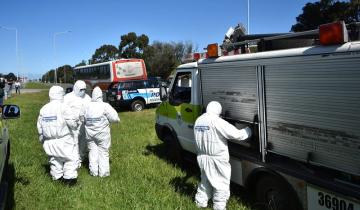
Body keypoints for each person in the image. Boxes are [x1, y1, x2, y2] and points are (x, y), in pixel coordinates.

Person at [194, 101, 252, 210]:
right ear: (218, 111)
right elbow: (237, 135)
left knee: (205, 180)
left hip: (202, 157)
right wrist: (249, 130)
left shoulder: (199, 120)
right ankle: (219, 207)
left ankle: (199, 203)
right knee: (221, 184)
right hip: (217, 158)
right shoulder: (217, 121)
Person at [37, 86, 79, 185]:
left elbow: (39, 126)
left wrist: (42, 138)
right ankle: (69, 180)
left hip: (49, 141)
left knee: (55, 160)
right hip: (63, 140)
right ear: (61, 94)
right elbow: (72, 123)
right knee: (71, 158)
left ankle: (57, 178)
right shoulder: (63, 107)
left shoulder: (44, 109)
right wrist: (76, 125)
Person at [80, 86, 120, 177]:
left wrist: (88, 122)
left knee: (92, 152)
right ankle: (104, 173)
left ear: (92, 95)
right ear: (101, 95)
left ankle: (93, 172)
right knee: (103, 152)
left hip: (90, 134)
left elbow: (81, 118)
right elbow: (115, 118)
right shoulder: (105, 106)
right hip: (102, 134)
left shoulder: (86, 106)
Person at [64, 80, 91, 167]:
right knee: (73, 142)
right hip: (72, 125)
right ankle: (73, 160)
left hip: (83, 124)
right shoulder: (67, 97)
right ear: (76, 88)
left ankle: (81, 157)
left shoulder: (87, 98)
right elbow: (63, 110)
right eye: (81, 89)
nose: (82, 91)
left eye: (84, 89)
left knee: (83, 142)